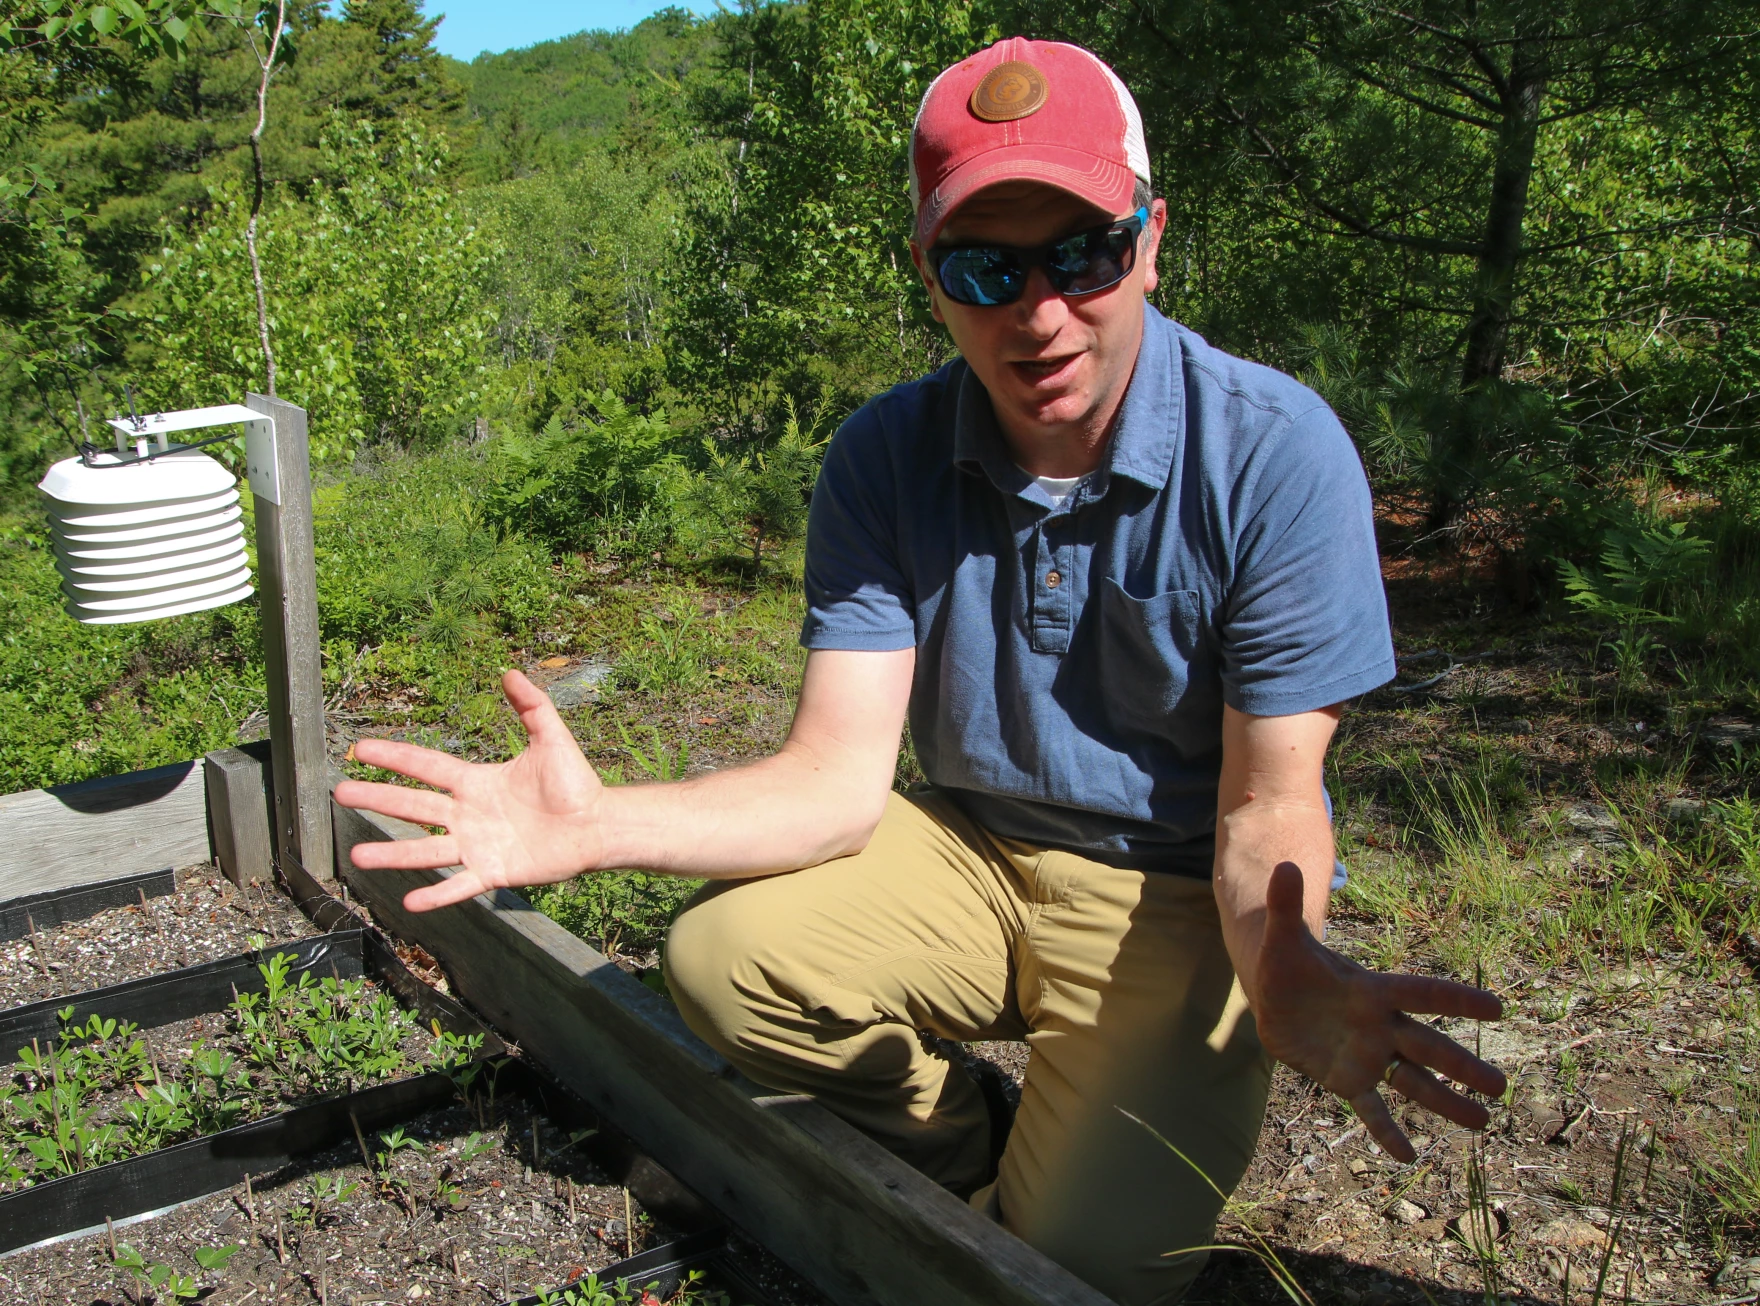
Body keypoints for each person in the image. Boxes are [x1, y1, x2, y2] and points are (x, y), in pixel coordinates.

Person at [336, 37, 1507, 1305]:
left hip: (1173, 896)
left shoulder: (1271, 456)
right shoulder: (884, 453)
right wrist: (602, 821)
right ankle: (963, 1147)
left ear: (1150, 238)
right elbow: (836, 780)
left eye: (1082, 254)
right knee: (724, 962)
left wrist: (1278, 954)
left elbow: (1266, 802)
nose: (1040, 309)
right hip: (970, 850)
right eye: (984, 267)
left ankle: (1054, 1178)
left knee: (1071, 1270)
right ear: (930, 277)